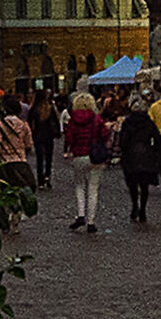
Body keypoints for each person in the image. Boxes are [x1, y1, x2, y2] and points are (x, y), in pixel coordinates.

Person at [61, 91, 111, 234]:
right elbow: (105, 135)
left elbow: (69, 139)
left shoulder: (72, 120)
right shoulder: (96, 119)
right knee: (93, 188)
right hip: (95, 156)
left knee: (79, 186)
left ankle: (81, 214)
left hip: (79, 155)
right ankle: (91, 221)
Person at [118, 96, 161, 224]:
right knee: (144, 186)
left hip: (131, 156)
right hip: (146, 155)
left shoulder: (127, 123)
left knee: (133, 184)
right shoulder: (148, 122)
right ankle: (142, 209)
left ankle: (134, 206)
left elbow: (123, 141)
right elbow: (157, 138)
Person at [0, 93, 35, 209]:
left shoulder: (0, 126)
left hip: (4, 163)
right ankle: (17, 214)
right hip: (20, 162)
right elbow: (29, 144)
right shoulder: (24, 125)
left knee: (4, 192)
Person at [28, 85, 60, 187]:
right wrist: (58, 132)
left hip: (38, 136)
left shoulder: (33, 110)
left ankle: (40, 179)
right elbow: (56, 122)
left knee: (39, 158)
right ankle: (47, 175)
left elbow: (29, 123)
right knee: (49, 157)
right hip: (49, 136)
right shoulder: (49, 109)